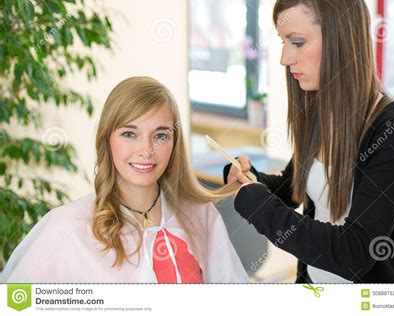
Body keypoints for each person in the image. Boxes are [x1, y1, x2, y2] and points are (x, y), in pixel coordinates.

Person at [224, 0, 394, 283]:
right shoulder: (319, 113)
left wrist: (260, 209)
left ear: (340, 38)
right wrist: (251, 180)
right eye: (283, 42)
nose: (284, 58)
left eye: (297, 42)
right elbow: (295, 188)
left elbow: (356, 253)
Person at [1, 76, 248, 283]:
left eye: (160, 136)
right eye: (129, 133)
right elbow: (17, 303)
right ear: (107, 139)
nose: (146, 150)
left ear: (174, 142)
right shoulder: (67, 226)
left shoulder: (200, 215)